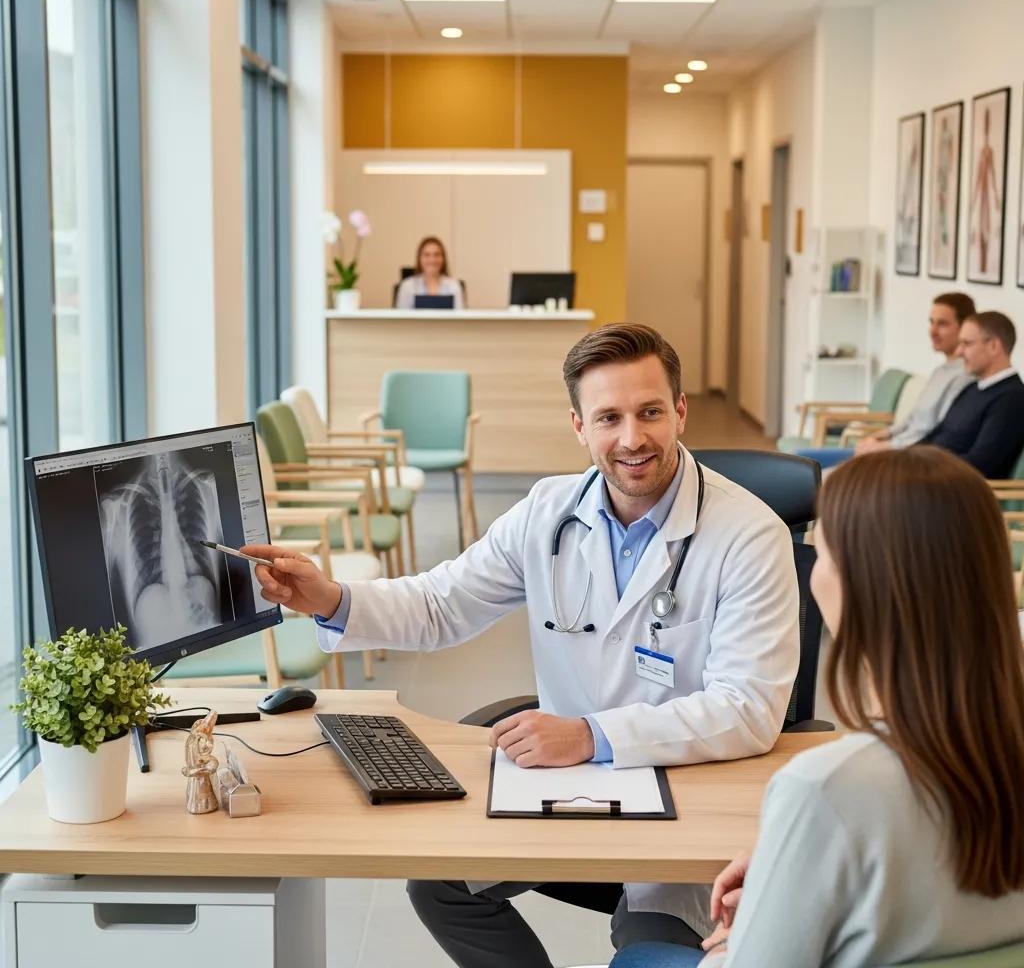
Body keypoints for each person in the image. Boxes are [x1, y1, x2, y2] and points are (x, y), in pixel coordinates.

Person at [245, 323, 800, 967]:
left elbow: (749, 708)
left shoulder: (749, 535)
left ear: (680, 411)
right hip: (574, 796)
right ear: (578, 426)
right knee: (442, 885)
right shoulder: (548, 513)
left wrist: (589, 734)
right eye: (608, 417)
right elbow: (440, 604)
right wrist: (331, 598)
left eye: (650, 412)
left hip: (686, 808)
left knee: (650, 948)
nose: (632, 438)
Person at [609, 446, 1024, 968]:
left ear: (862, 586)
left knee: (639, 958)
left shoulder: (827, 789)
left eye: (823, 555)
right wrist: (794, 874)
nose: (812, 574)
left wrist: (748, 934)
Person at [797, 292, 975, 469]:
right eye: (931, 322)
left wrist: (884, 447)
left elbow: (931, 432)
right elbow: (913, 418)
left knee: (809, 475)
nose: (933, 331)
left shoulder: (963, 378)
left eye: (942, 324)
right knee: (801, 461)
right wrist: (881, 435)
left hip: (905, 457)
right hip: (892, 447)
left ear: (964, 328)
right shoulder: (941, 371)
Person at [917, 310, 1024, 479]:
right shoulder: (972, 387)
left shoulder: (1012, 399)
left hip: (957, 490)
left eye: (967, 344)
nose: (959, 352)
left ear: (994, 347)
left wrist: (922, 468)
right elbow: (935, 434)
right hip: (930, 476)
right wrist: (906, 459)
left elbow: (979, 464)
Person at [395, 236, 464, 309]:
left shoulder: (453, 285)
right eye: (427, 255)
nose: (432, 260)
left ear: (443, 259)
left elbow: (460, 318)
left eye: (437, 255)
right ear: (419, 259)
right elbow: (402, 319)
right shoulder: (407, 286)